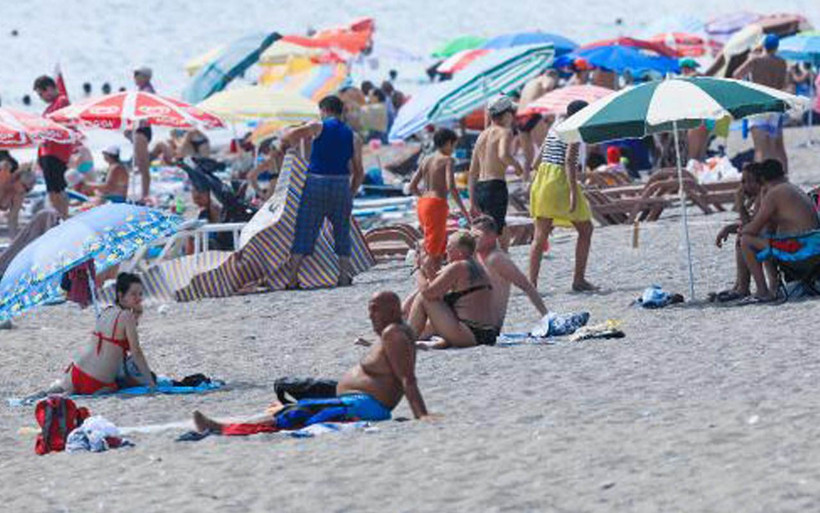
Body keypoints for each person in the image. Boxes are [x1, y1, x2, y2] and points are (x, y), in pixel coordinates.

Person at [192, 291, 430, 433]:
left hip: (363, 406)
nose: (370, 315)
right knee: (298, 401)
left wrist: (421, 415)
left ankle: (221, 428)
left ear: (392, 311)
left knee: (297, 412)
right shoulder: (391, 332)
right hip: (356, 401)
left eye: (375, 310)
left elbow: (407, 379)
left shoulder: (394, 334)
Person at [285, 95, 364, 288]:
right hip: (341, 183)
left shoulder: (317, 126)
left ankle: (293, 278)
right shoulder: (354, 136)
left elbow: (289, 135)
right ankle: (343, 276)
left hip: (316, 182)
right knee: (342, 230)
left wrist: (300, 146)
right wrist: (351, 192)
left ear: (324, 110)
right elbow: (359, 171)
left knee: (305, 228)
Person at [528, 100, 597, 291]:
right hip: (560, 181)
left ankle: (532, 283)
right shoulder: (574, 129)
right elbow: (569, 160)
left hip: (543, 179)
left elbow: (536, 160)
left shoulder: (555, 125)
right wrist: (573, 191)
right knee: (586, 229)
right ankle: (578, 280)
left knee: (539, 236)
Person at [48, 273, 155, 395]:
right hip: (96, 381)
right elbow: (136, 353)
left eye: (140, 294)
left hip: (75, 372)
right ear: (121, 295)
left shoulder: (107, 311)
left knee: (53, 393)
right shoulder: (127, 316)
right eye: (133, 294)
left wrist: (138, 315)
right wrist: (151, 382)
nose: (139, 298)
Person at [740, 159, 820, 302]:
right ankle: (773, 287)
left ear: (762, 179)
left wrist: (742, 207)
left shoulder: (775, 193)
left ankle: (762, 291)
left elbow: (752, 229)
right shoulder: (792, 189)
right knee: (766, 237)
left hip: (799, 251)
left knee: (746, 241)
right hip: (813, 249)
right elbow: (765, 227)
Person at [407, 231, 499, 349]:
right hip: (488, 334)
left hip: (470, 334)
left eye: (449, 247)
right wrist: (428, 267)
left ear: (460, 252)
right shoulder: (476, 266)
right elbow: (438, 287)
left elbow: (428, 293)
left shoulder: (458, 266)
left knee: (423, 298)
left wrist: (417, 270)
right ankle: (413, 336)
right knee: (436, 308)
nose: (446, 251)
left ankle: (407, 339)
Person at [409, 128, 470, 271]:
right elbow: (451, 187)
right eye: (454, 146)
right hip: (436, 204)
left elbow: (412, 186)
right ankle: (424, 278)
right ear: (448, 143)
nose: (454, 150)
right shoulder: (448, 160)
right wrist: (464, 212)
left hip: (423, 204)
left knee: (436, 246)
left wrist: (426, 199)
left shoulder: (426, 159)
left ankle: (434, 279)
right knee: (434, 251)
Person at [468, 95, 525, 250]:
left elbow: (473, 171)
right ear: (506, 114)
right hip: (495, 185)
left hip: (480, 188)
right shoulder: (504, 132)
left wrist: (472, 201)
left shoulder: (482, 135)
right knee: (496, 229)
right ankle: (502, 258)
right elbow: (503, 155)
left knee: (489, 227)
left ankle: (495, 258)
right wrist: (519, 168)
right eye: (512, 113)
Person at [472, 215, 547, 328]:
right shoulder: (477, 255)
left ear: (492, 236)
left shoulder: (497, 259)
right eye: (472, 236)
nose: (473, 240)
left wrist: (546, 316)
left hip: (487, 325)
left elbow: (527, 286)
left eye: (477, 236)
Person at [733, 34, 789, 171]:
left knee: (760, 148)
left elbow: (736, 74)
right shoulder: (782, 62)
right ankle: (782, 175)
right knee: (776, 147)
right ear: (777, 47)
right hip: (775, 104)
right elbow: (785, 84)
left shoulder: (755, 60)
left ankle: (762, 177)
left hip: (759, 104)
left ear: (763, 45)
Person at [712, 163, 766, 302]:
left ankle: (742, 287)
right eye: (742, 181)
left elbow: (751, 227)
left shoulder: (763, 197)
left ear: (759, 181)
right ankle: (739, 285)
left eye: (747, 181)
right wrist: (728, 228)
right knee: (742, 235)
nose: (743, 186)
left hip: (776, 240)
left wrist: (740, 205)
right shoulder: (757, 197)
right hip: (767, 237)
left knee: (744, 237)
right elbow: (750, 223)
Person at [33, 75, 72, 217]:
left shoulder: (62, 101)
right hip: (47, 153)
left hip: (56, 153)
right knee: (52, 191)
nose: (41, 98)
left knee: (58, 189)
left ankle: (64, 217)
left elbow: (60, 124)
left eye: (40, 94)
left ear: (49, 89)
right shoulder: (48, 108)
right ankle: (61, 217)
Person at [517, 70, 559, 170]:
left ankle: (526, 177)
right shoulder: (547, 78)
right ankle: (543, 173)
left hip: (520, 116)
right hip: (531, 113)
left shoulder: (530, 83)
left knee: (528, 156)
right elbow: (547, 86)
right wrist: (550, 113)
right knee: (545, 148)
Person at [0, 154, 33, 237]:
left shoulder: (19, 194)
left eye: (28, 190)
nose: (25, 191)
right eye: (25, 187)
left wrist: (15, 239)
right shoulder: (3, 180)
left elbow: (13, 218)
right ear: (17, 179)